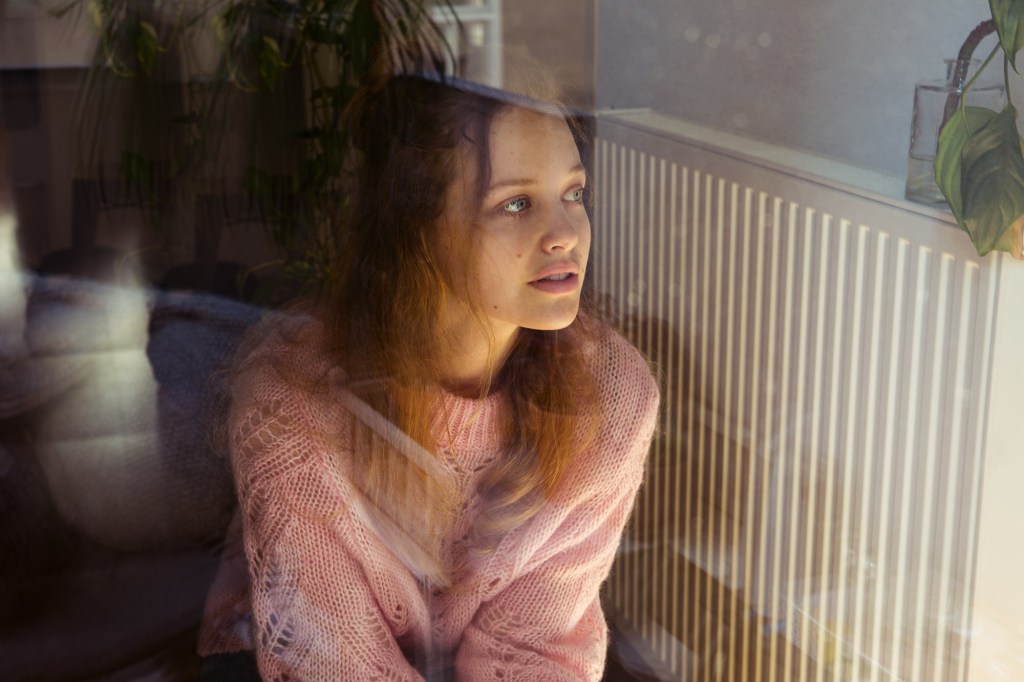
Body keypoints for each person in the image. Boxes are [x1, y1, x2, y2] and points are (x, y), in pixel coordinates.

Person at [197, 69, 659, 681]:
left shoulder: (613, 393)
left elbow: (537, 644)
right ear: (417, 226)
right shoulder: (294, 403)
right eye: (516, 203)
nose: (566, 235)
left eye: (574, 193)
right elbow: (338, 663)